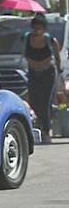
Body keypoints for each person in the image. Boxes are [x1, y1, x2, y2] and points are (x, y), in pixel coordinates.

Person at [24, 13, 62, 143]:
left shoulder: (50, 40)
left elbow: (57, 57)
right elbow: (24, 54)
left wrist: (60, 71)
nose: (36, 31)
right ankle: (38, 128)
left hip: (48, 73)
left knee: (45, 102)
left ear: (44, 29)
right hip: (33, 73)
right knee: (34, 101)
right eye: (34, 28)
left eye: (39, 28)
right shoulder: (27, 38)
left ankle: (46, 131)